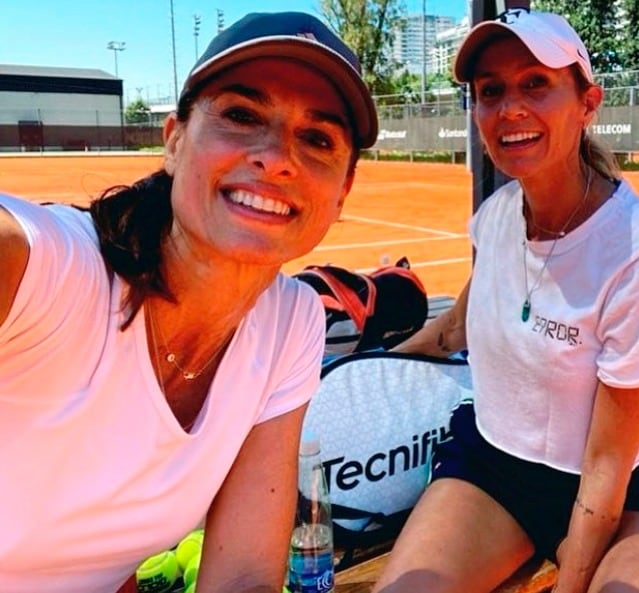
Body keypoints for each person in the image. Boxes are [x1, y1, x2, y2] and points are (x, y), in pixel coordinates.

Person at [0, 12, 376, 593]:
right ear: (174, 141)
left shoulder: (291, 322)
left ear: (343, 190)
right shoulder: (47, 269)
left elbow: (244, 575)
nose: (277, 157)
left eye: (317, 139)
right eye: (242, 116)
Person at [373, 9, 639, 593]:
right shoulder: (496, 217)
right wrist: (358, 372)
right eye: (490, 91)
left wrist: (570, 583)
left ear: (587, 103)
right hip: (492, 470)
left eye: (535, 84)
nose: (510, 108)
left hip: (614, 492)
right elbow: (453, 330)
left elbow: (606, 466)